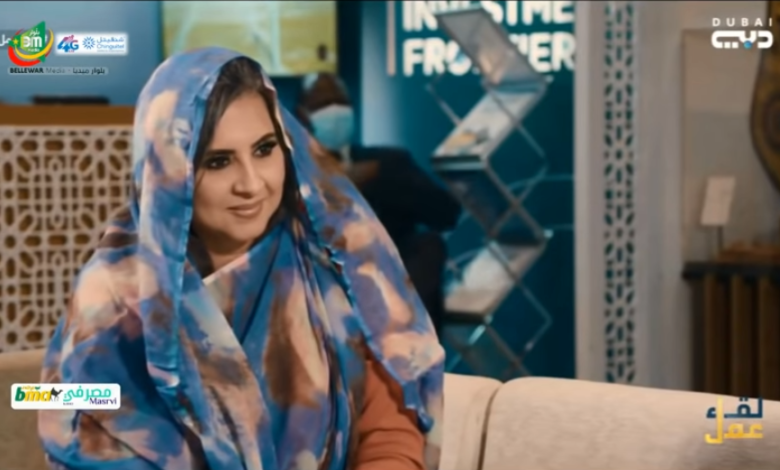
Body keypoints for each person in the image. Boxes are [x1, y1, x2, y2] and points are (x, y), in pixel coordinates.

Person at [38, 48, 444, 470]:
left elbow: (389, 429)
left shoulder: (328, 262)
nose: (251, 184)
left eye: (265, 149)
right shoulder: (110, 298)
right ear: (169, 173)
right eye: (218, 161)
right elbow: (73, 426)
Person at [296, 73, 462, 336]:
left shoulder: (388, 163)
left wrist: (382, 178)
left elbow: (447, 214)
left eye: (341, 101)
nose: (334, 109)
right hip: (324, 277)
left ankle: (406, 340)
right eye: (323, 103)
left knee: (429, 245)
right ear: (303, 116)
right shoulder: (289, 172)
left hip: (391, 279)